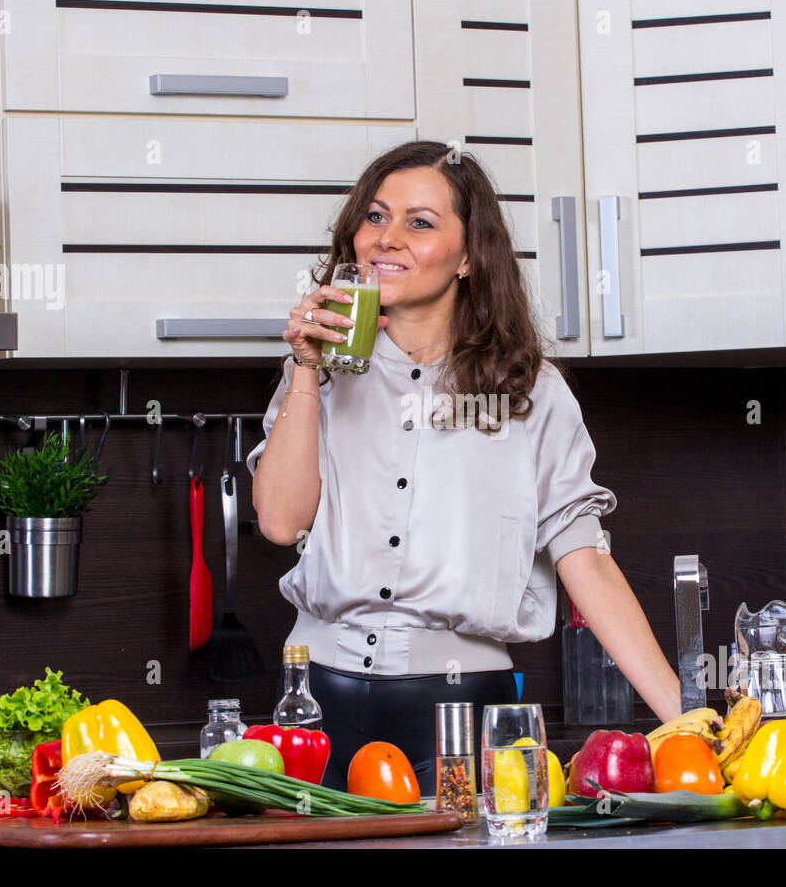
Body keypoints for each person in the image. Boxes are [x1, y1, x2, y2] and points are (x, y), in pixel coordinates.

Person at [245, 140, 681, 795]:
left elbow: (585, 562)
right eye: (375, 216)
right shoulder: (318, 374)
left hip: (459, 717)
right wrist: (306, 368)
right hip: (314, 709)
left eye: (419, 222)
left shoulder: (529, 392)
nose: (387, 237)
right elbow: (280, 521)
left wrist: (685, 722)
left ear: (470, 255)